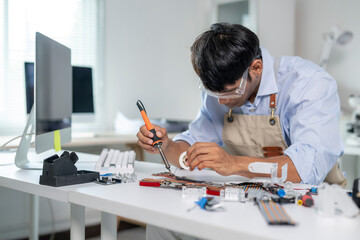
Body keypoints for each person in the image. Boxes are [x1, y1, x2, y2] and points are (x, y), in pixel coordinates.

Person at [137, 23, 346, 239]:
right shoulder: (221, 88)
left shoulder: (309, 84)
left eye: (230, 92)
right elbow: (189, 148)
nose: (223, 101)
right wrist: (167, 145)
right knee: (162, 224)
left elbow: (305, 171)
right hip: (249, 196)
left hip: (311, 203)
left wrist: (232, 164)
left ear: (256, 68)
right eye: (214, 93)